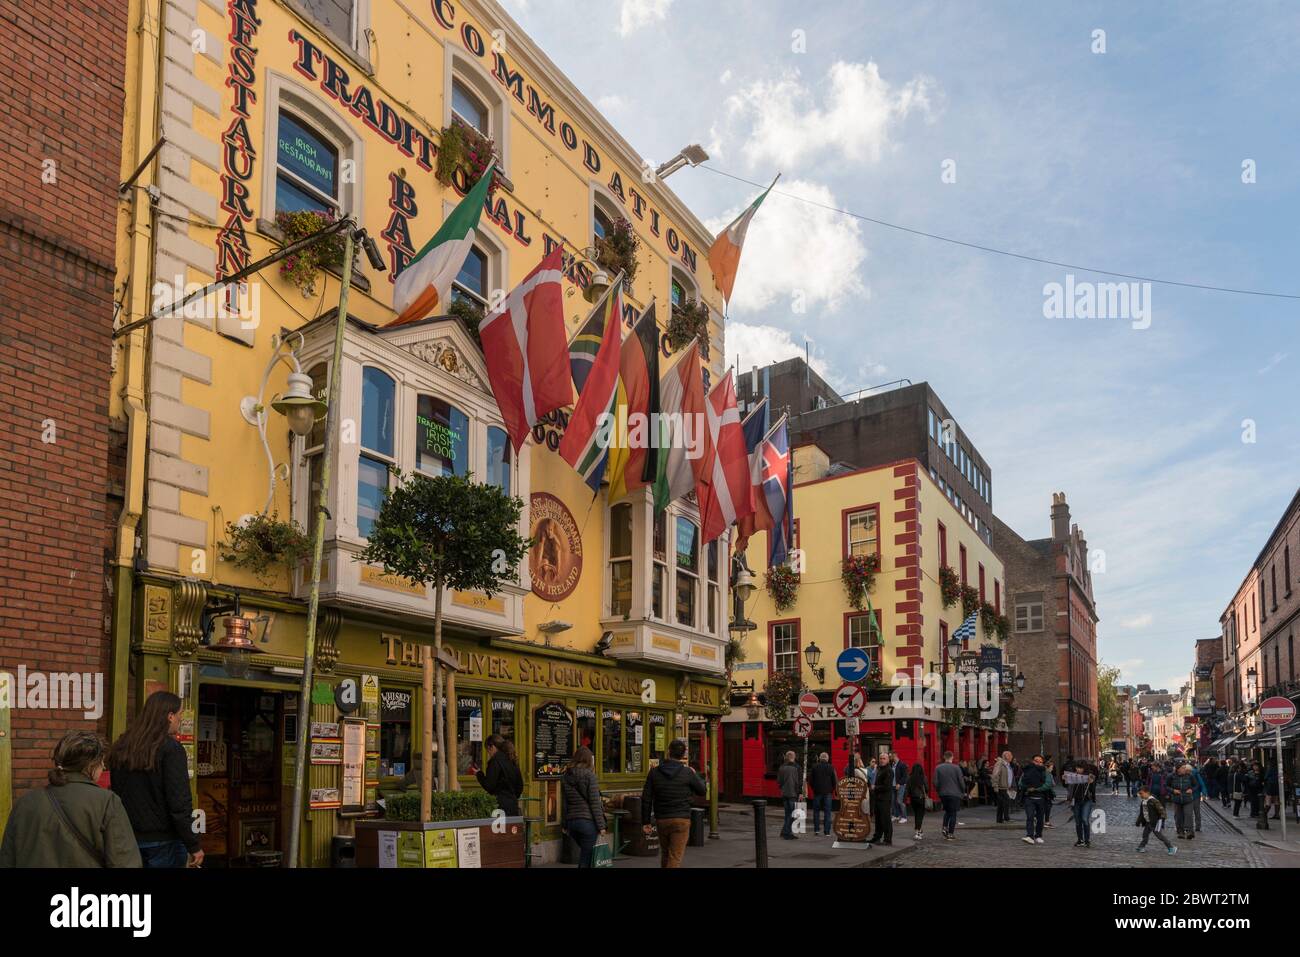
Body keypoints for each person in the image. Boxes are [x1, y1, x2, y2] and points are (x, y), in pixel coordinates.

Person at [0, 730, 141, 868]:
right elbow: (125, 862)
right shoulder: (107, 802)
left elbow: (7, 859)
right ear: (91, 766)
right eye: (101, 762)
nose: (104, 767)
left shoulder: (25, 802)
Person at [108, 690, 203, 868]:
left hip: (129, 838)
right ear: (169, 716)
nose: (181, 719)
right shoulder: (171, 749)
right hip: (164, 841)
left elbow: (116, 793)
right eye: (180, 714)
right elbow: (179, 802)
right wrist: (193, 845)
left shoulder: (122, 746)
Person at [640, 738, 706, 867]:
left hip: (662, 819)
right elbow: (702, 790)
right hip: (681, 818)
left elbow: (646, 798)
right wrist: (695, 774)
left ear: (668, 752)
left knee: (665, 853)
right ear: (683, 755)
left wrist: (646, 821)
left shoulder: (654, 772)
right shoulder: (687, 772)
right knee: (675, 857)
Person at [561, 746, 606, 868]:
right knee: (586, 858)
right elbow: (594, 803)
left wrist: (564, 824)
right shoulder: (590, 776)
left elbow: (564, 803)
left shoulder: (566, 776)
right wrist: (601, 826)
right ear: (589, 760)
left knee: (586, 854)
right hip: (587, 823)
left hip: (572, 823)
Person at [475, 734, 524, 816]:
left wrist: (479, 774)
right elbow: (520, 786)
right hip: (513, 805)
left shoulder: (495, 761)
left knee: (501, 828)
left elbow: (489, 785)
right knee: (511, 828)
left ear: (492, 747)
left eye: (488, 750)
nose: (489, 754)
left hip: (499, 806)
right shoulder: (512, 759)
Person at [1135, 784, 1176, 855]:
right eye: (1139, 794)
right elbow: (1141, 813)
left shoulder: (1153, 801)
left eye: (1141, 793)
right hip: (1148, 822)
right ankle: (1141, 847)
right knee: (1145, 834)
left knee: (1159, 835)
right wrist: (1138, 821)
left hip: (1156, 822)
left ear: (1147, 792)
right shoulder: (1143, 801)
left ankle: (1171, 847)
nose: (1140, 795)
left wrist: (1162, 818)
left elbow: (1161, 809)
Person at [934, 750, 965, 841]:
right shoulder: (957, 768)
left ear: (944, 757)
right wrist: (963, 791)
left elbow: (935, 782)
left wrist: (939, 790)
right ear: (952, 757)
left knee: (947, 811)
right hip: (955, 794)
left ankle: (944, 827)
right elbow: (961, 782)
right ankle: (950, 834)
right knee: (953, 813)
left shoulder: (938, 768)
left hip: (943, 794)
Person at [1019, 754, 1049, 845]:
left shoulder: (1045, 772)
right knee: (1030, 817)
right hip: (1029, 797)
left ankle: (1038, 835)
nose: (1038, 763)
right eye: (1036, 761)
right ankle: (1030, 836)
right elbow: (1021, 783)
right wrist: (1028, 787)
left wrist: (1036, 789)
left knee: (1040, 818)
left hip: (1041, 798)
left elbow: (1048, 784)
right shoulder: (1027, 770)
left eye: (1040, 762)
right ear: (1032, 761)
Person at [1068, 762, 1098, 848]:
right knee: (1078, 821)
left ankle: (1087, 840)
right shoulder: (1074, 776)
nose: (1078, 770)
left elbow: (1093, 790)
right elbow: (1070, 788)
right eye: (1077, 768)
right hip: (1076, 801)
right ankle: (1080, 840)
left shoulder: (1089, 776)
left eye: (1080, 768)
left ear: (1084, 768)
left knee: (1085, 819)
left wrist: (1091, 782)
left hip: (1086, 801)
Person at [808, 752, 837, 838]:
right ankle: (827, 831)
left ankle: (817, 830)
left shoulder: (814, 767)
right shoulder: (831, 767)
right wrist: (832, 789)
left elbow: (810, 781)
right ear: (827, 759)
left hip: (817, 793)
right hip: (828, 793)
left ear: (820, 758)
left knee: (816, 811)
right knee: (827, 812)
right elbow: (834, 780)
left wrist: (814, 789)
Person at [868, 753, 894, 846]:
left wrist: (875, 787)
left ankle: (887, 840)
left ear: (887, 760)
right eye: (881, 758)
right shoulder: (879, 769)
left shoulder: (889, 771)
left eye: (884, 758)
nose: (882, 760)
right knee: (878, 820)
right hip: (878, 798)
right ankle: (876, 838)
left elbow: (887, 786)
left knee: (885, 819)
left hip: (885, 799)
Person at [777, 751, 802, 840]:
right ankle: (786, 833)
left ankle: (785, 832)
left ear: (786, 757)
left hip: (784, 794)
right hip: (793, 794)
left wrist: (783, 788)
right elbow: (799, 782)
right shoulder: (797, 767)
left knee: (787, 814)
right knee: (792, 815)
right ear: (794, 757)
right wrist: (800, 793)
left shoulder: (782, 767)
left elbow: (779, 782)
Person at [991, 750, 1014, 823]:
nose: (1011, 757)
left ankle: (999, 819)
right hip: (1001, 787)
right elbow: (995, 775)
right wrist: (995, 786)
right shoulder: (1000, 764)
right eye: (1010, 755)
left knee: (1001, 804)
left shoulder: (1008, 764)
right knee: (1006, 802)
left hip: (1006, 787)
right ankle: (1006, 818)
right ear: (1005, 756)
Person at [907, 761, 928, 840]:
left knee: (916, 815)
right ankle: (917, 831)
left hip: (913, 799)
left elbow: (907, 789)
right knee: (920, 815)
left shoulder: (910, 777)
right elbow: (926, 788)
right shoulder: (923, 777)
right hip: (920, 798)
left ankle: (919, 830)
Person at [891, 752, 909, 824]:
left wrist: (899, 783)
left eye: (890, 756)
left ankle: (904, 817)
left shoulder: (902, 764)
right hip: (892, 785)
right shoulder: (892, 764)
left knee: (899, 801)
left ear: (894, 756)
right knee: (893, 801)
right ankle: (896, 815)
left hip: (900, 785)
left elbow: (905, 776)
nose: (889, 758)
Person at [1042, 759, 1057, 828]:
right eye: (1051, 767)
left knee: (1047, 806)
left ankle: (1045, 821)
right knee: (1047, 807)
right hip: (1046, 792)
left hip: (1047, 792)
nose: (1052, 769)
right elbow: (1053, 784)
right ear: (1047, 767)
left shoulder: (1047, 774)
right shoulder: (1047, 774)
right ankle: (1046, 822)